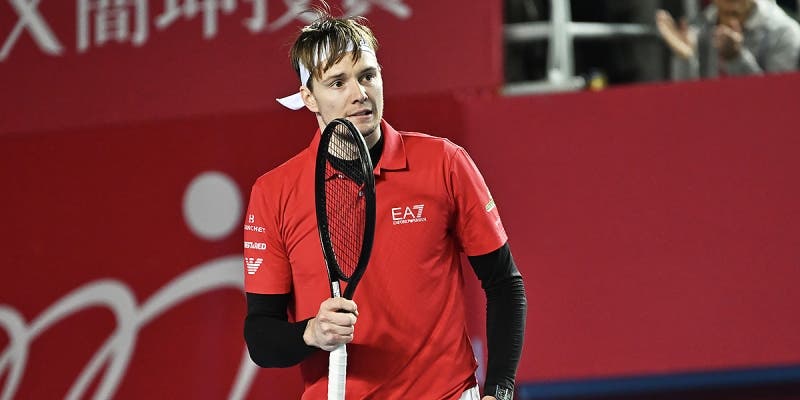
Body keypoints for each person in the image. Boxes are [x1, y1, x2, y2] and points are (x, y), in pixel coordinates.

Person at [242, 5, 527, 400]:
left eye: (368, 76)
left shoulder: (444, 162)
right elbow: (261, 336)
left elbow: (504, 283)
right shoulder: (274, 192)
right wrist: (312, 332)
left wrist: (499, 390)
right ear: (309, 97)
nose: (359, 94)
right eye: (338, 82)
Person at [655, 0, 800, 80]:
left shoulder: (785, 33)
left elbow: (776, 102)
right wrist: (684, 58)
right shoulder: (701, 27)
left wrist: (735, 58)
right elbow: (689, 102)